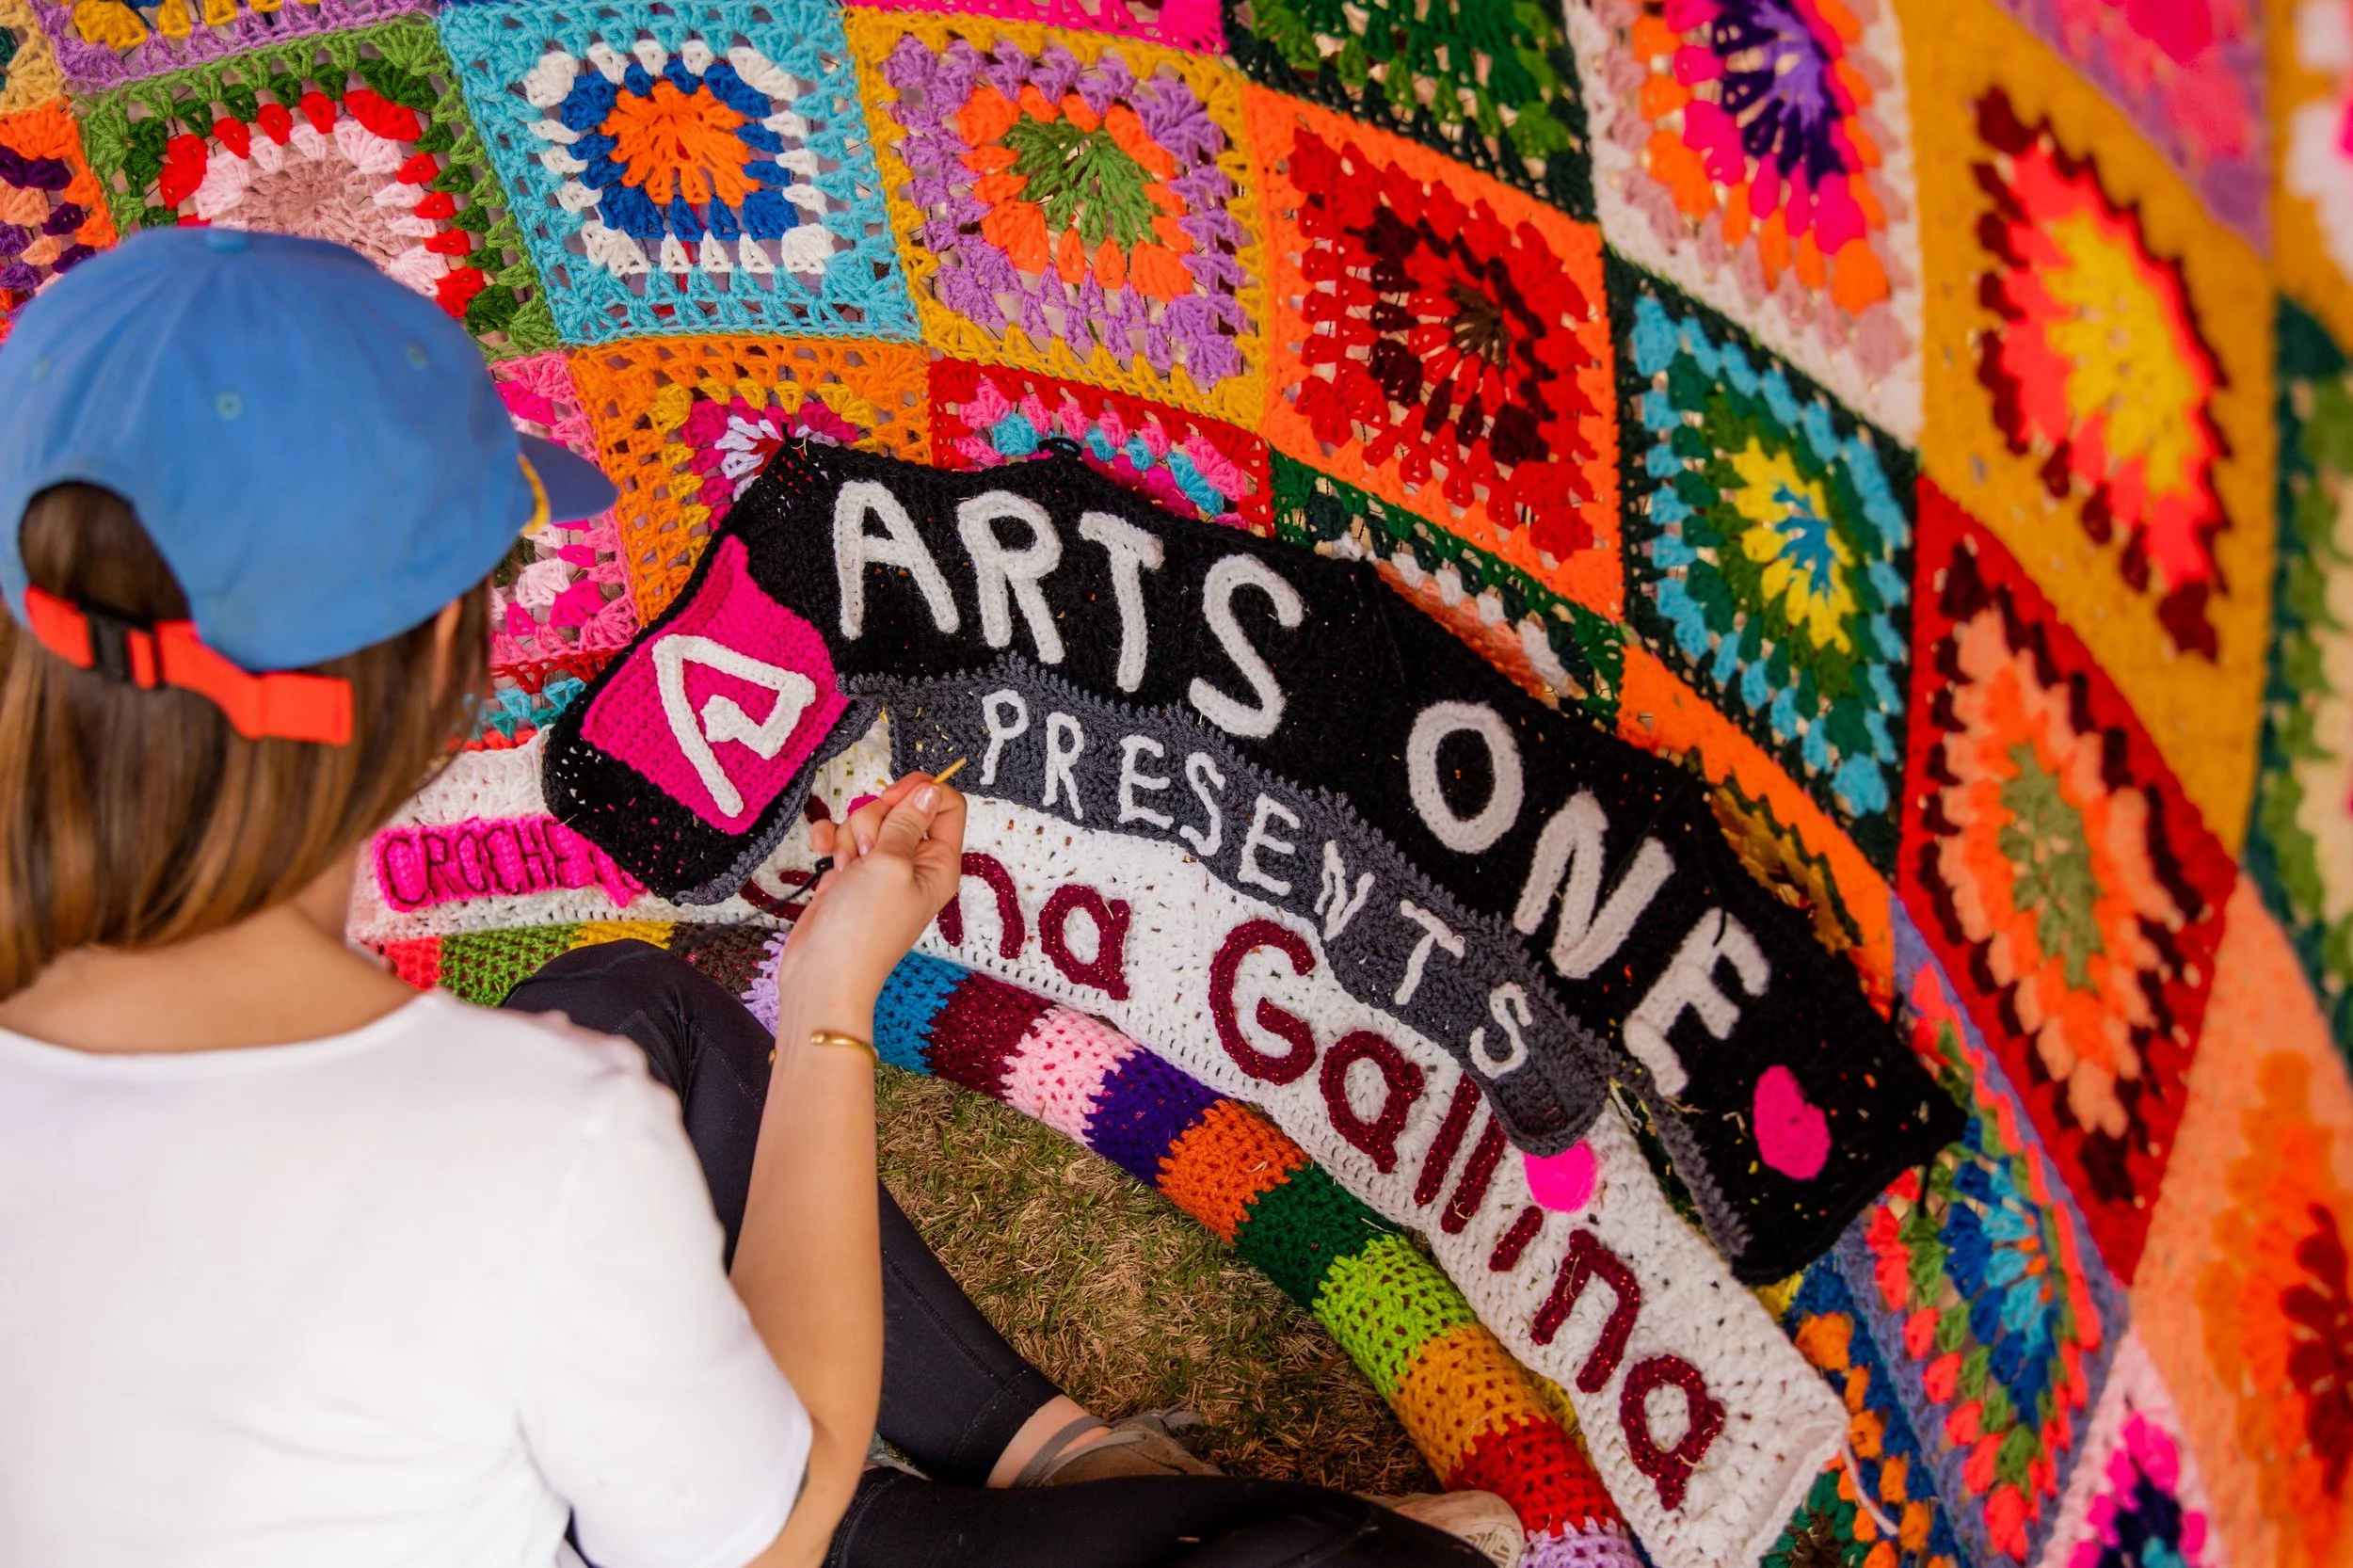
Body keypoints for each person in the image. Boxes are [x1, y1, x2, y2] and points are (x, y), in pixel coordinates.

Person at [0, 231, 1517, 1568]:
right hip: (724, 1522)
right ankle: (1002, 1511)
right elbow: (766, 1534)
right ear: (428, 674)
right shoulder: (523, 1138)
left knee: (630, 1001)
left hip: (572, 1486)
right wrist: (832, 1003)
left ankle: (1048, 1468)